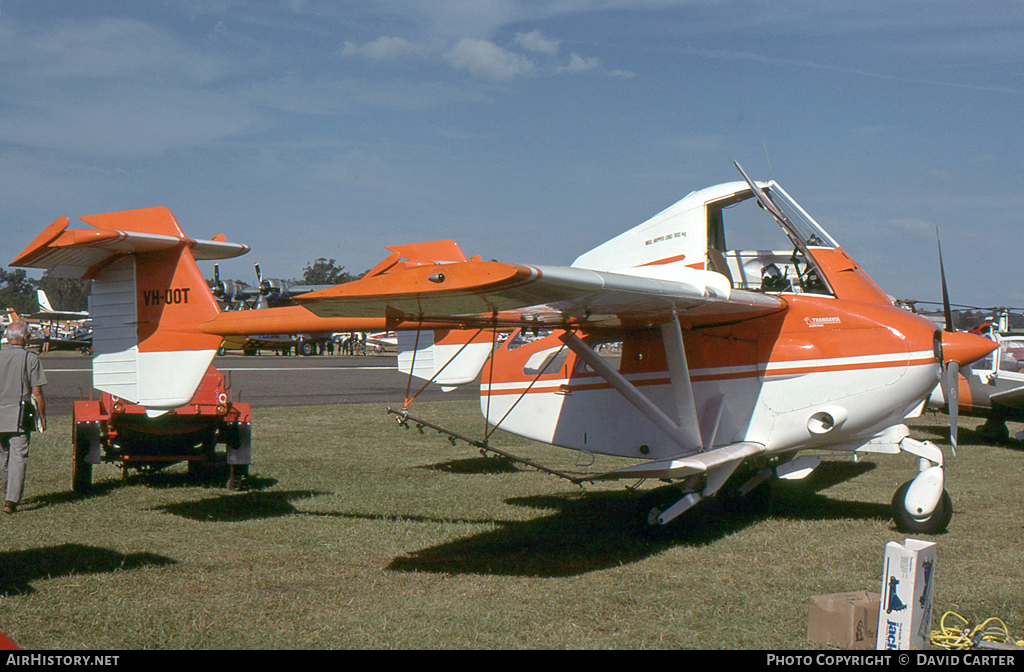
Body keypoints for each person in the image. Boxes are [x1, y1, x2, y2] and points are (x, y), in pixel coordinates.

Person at [0, 321, 47, 514]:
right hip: (18, 414)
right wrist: (42, 417)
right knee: (18, 456)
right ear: (25, 337)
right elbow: (37, 393)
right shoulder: (30, 358)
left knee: (2, 456)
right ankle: (11, 500)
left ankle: (6, 491)